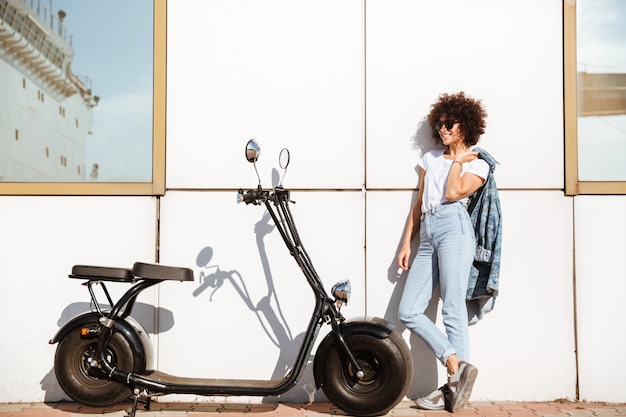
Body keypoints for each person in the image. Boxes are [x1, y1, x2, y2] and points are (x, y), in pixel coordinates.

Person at [397, 91, 489, 412]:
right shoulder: (430, 159)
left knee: (452, 308)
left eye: (449, 123)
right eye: (440, 124)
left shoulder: (478, 165)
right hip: (428, 233)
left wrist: (459, 162)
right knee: (408, 310)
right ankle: (454, 361)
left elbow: (452, 192)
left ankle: (452, 391)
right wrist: (407, 242)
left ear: (464, 126)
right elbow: (419, 201)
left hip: (455, 229)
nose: (443, 129)